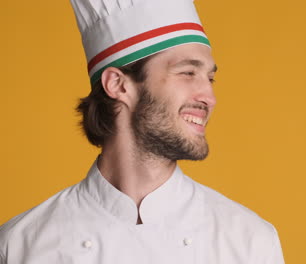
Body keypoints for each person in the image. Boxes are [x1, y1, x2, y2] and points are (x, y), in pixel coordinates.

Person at [0, 0, 284, 263]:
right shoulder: (21, 244)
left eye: (209, 78)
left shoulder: (249, 242)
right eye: (187, 73)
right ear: (119, 85)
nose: (209, 97)